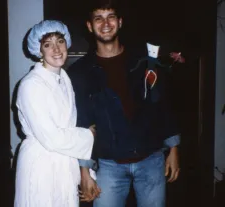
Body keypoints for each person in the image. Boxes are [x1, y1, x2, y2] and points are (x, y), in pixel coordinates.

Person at [67, 1, 182, 206]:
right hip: (109, 165)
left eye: (111, 16)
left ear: (120, 22)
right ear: (89, 25)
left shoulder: (145, 61)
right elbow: (81, 123)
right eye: (98, 18)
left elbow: (162, 104)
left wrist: (173, 148)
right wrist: (84, 171)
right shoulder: (80, 73)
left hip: (151, 160)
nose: (105, 23)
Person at [14, 20, 96, 207]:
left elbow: (69, 128)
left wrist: (88, 173)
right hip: (41, 166)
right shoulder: (31, 85)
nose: (56, 49)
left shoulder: (64, 78)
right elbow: (51, 138)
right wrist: (88, 135)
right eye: (47, 44)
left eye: (60, 41)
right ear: (39, 50)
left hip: (63, 163)